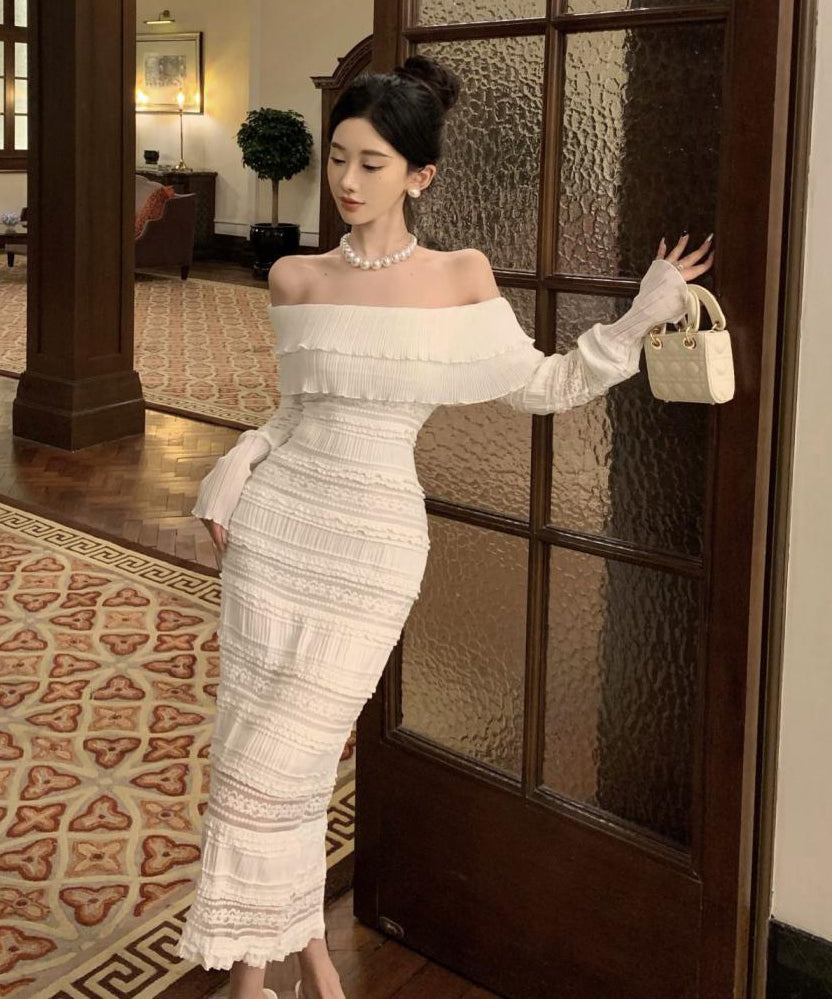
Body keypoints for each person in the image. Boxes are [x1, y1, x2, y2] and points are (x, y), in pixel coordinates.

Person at [174, 55, 714, 999]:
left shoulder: (459, 277)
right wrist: (240, 459)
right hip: (274, 534)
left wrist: (640, 317)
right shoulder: (294, 278)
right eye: (337, 157)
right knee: (259, 752)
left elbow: (544, 384)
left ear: (420, 176)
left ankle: (267, 978)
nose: (346, 180)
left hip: (372, 550)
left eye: (371, 163)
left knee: (274, 765)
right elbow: (296, 412)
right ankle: (294, 970)